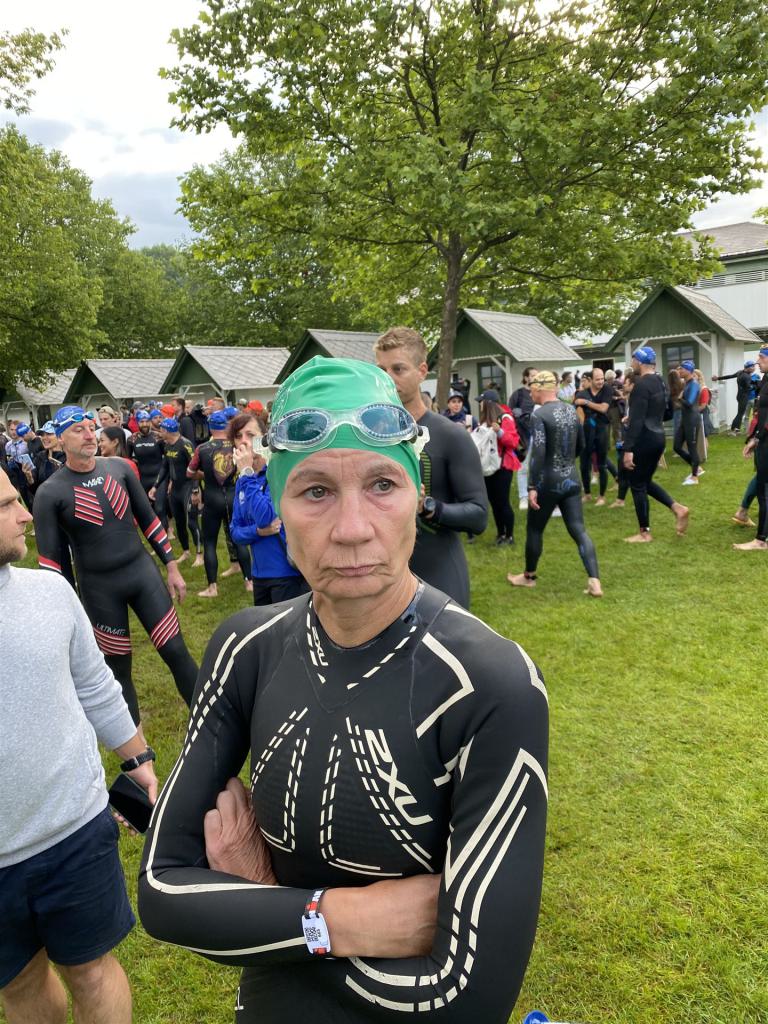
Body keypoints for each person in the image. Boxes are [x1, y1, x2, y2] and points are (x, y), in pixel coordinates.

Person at [138, 357, 548, 1024]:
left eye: (383, 484)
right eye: (316, 491)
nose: (353, 528)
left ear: (416, 494)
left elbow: (469, 1001)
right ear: (278, 504)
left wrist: (259, 905)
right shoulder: (246, 648)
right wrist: (339, 919)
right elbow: (162, 891)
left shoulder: (489, 684)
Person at [0, 467, 158, 1024]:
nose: (25, 515)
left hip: (75, 830)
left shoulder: (50, 593)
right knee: (19, 984)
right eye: (6, 506)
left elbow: (95, 684)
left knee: (91, 970)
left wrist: (138, 760)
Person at [33, 406, 198, 724]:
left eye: (90, 428)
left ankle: (210, 726)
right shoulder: (49, 493)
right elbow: (52, 565)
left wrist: (172, 565)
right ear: (60, 438)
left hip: (141, 574)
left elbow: (149, 520)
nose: (88, 435)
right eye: (77, 430)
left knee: (176, 651)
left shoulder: (120, 468)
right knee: (118, 671)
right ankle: (138, 750)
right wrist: (66, 610)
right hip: (99, 590)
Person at [374, 328, 488, 607]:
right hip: (380, 576)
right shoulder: (370, 437)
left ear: (422, 371)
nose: (388, 378)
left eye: (398, 369)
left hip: (438, 573)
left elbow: (478, 515)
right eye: (381, 370)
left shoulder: (450, 435)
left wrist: (427, 506)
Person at [507, 371, 602, 597]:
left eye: (531, 390)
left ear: (540, 389)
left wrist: (532, 486)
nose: (530, 394)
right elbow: (581, 445)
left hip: (547, 481)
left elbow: (538, 453)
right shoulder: (571, 410)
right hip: (571, 478)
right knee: (578, 530)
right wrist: (567, 462)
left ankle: (529, 577)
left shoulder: (539, 415)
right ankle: (595, 581)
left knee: (534, 529)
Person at [229, 410, 309, 604]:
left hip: (286, 574)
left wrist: (246, 472)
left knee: (286, 624)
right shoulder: (244, 481)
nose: (243, 441)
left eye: (250, 435)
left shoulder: (275, 473)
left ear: (263, 439)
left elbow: (265, 516)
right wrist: (257, 532)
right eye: (238, 436)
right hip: (259, 574)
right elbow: (235, 532)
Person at [621, 348, 689, 543]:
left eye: (633, 359)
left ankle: (645, 533)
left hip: (644, 439)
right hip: (658, 437)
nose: (632, 363)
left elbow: (637, 421)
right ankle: (678, 508)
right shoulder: (660, 381)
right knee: (645, 482)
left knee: (637, 485)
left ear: (640, 361)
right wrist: (644, 417)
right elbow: (668, 412)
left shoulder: (641, 386)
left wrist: (628, 449)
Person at [187, 410, 252, 598]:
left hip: (212, 498)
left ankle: (212, 588)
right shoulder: (237, 446)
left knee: (210, 543)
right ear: (227, 427)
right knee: (239, 540)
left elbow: (189, 472)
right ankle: (249, 582)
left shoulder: (202, 448)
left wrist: (205, 475)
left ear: (210, 427)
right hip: (233, 497)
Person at [733, 346, 768, 551]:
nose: (757, 360)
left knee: (764, 490)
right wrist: (754, 439)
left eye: (762, 357)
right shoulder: (765, 381)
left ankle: (761, 540)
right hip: (763, 441)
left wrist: (758, 438)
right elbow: (761, 414)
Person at [475, 397, 521, 545]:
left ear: (488, 403)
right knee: (494, 502)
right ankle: (501, 534)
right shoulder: (483, 421)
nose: (479, 405)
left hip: (503, 466)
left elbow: (513, 442)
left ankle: (509, 536)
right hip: (487, 466)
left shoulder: (505, 418)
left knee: (503, 502)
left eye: (481, 402)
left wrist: (499, 431)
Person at [150, 418, 195, 564]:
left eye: (161, 430)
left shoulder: (185, 444)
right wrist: (155, 486)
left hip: (188, 487)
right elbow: (165, 467)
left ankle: (200, 554)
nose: (159, 432)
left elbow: (195, 468)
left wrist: (196, 490)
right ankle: (186, 551)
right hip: (175, 489)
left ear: (167, 431)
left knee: (192, 522)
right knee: (179, 523)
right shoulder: (167, 445)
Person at [574, 367, 612, 505]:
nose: (601, 382)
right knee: (584, 464)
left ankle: (602, 496)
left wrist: (586, 403)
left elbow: (603, 408)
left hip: (601, 429)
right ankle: (587, 494)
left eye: (602, 379)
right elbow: (576, 406)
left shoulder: (607, 389)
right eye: (597, 379)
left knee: (602, 464)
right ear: (590, 380)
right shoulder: (582, 393)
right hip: (586, 430)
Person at [509, 368, 537, 509]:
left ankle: (538, 495)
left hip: (540, 434)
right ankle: (523, 497)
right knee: (523, 467)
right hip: (524, 437)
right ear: (526, 378)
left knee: (539, 467)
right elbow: (509, 413)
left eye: (537, 375)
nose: (535, 378)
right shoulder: (518, 394)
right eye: (533, 375)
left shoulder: (540, 392)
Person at [673, 361, 702, 485]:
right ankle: (697, 467)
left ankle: (695, 477)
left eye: (682, 369)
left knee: (692, 448)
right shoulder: (686, 383)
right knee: (676, 447)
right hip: (685, 420)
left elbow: (689, 403)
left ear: (688, 370)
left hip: (692, 420)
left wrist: (680, 398)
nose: (679, 371)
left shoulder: (694, 384)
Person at [713, 360, 756, 434]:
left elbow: (730, 376)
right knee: (740, 414)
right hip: (744, 397)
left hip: (739, 396)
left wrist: (718, 378)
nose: (754, 368)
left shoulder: (740, 372)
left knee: (739, 413)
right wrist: (756, 386)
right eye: (753, 367)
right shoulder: (747, 376)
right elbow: (749, 387)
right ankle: (735, 429)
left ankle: (735, 429)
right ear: (748, 367)